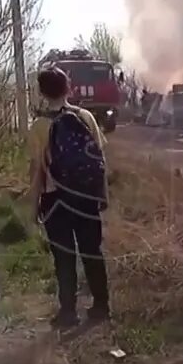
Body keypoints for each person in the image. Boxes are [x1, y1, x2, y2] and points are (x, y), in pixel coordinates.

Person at [29, 66, 111, 328]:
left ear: (42, 92)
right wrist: (103, 195)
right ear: (69, 87)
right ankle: (101, 306)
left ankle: (68, 313)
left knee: (64, 257)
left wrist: (33, 208)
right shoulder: (85, 117)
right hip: (86, 197)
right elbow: (100, 159)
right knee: (92, 252)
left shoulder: (39, 126)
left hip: (56, 200)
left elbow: (38, 172)